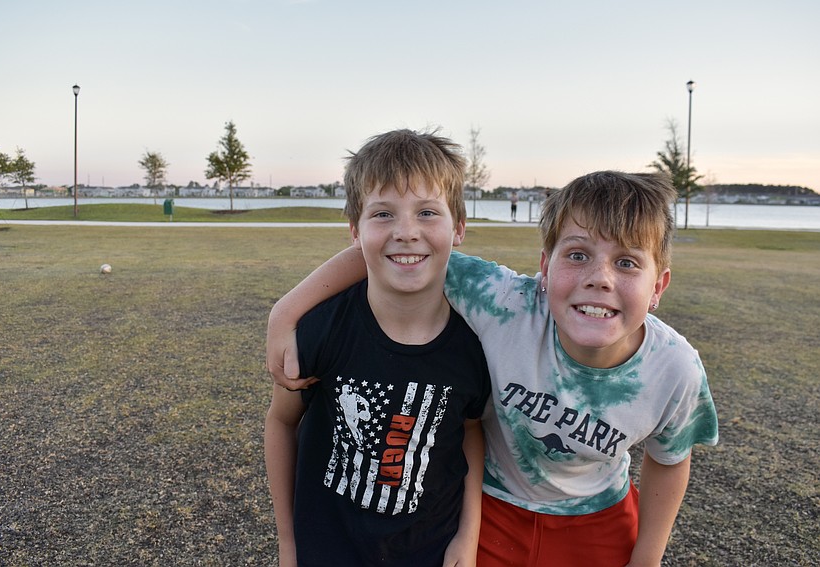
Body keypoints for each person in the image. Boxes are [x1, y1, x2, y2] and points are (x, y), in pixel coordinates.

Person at [267, 170, 719, 567]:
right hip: (493, 507)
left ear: (658, 286)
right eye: (578, 255)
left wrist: (646, 558)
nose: (599, 278)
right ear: (545, 268)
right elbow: (391, 251)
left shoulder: (674, 369)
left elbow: (670, 458)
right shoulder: (504, 304)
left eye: (627, 262)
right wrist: (285, 313)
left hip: (597, 516)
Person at [264, 129, 491, 567]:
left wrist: (468, 536)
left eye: (427, 212)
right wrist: (289, 543)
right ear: (355, 230)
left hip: (429, 549)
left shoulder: (475, 344)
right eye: (383, 214)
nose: (406, 232)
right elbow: (281, 421)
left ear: (459, 228)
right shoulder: (322, 329)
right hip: (327, 550)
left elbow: (470, 431)